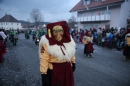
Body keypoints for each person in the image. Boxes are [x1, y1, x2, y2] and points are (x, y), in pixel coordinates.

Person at [39, 21, 76, 86]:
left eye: (60, 31)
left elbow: (71, 52)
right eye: (55, 31)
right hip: (54, 71)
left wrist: (73, 62)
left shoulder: (68, 40)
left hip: (67, 70)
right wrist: (44, 74)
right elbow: (44, 59)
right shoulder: (46, 42)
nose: (58, 34)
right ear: (52, 32)